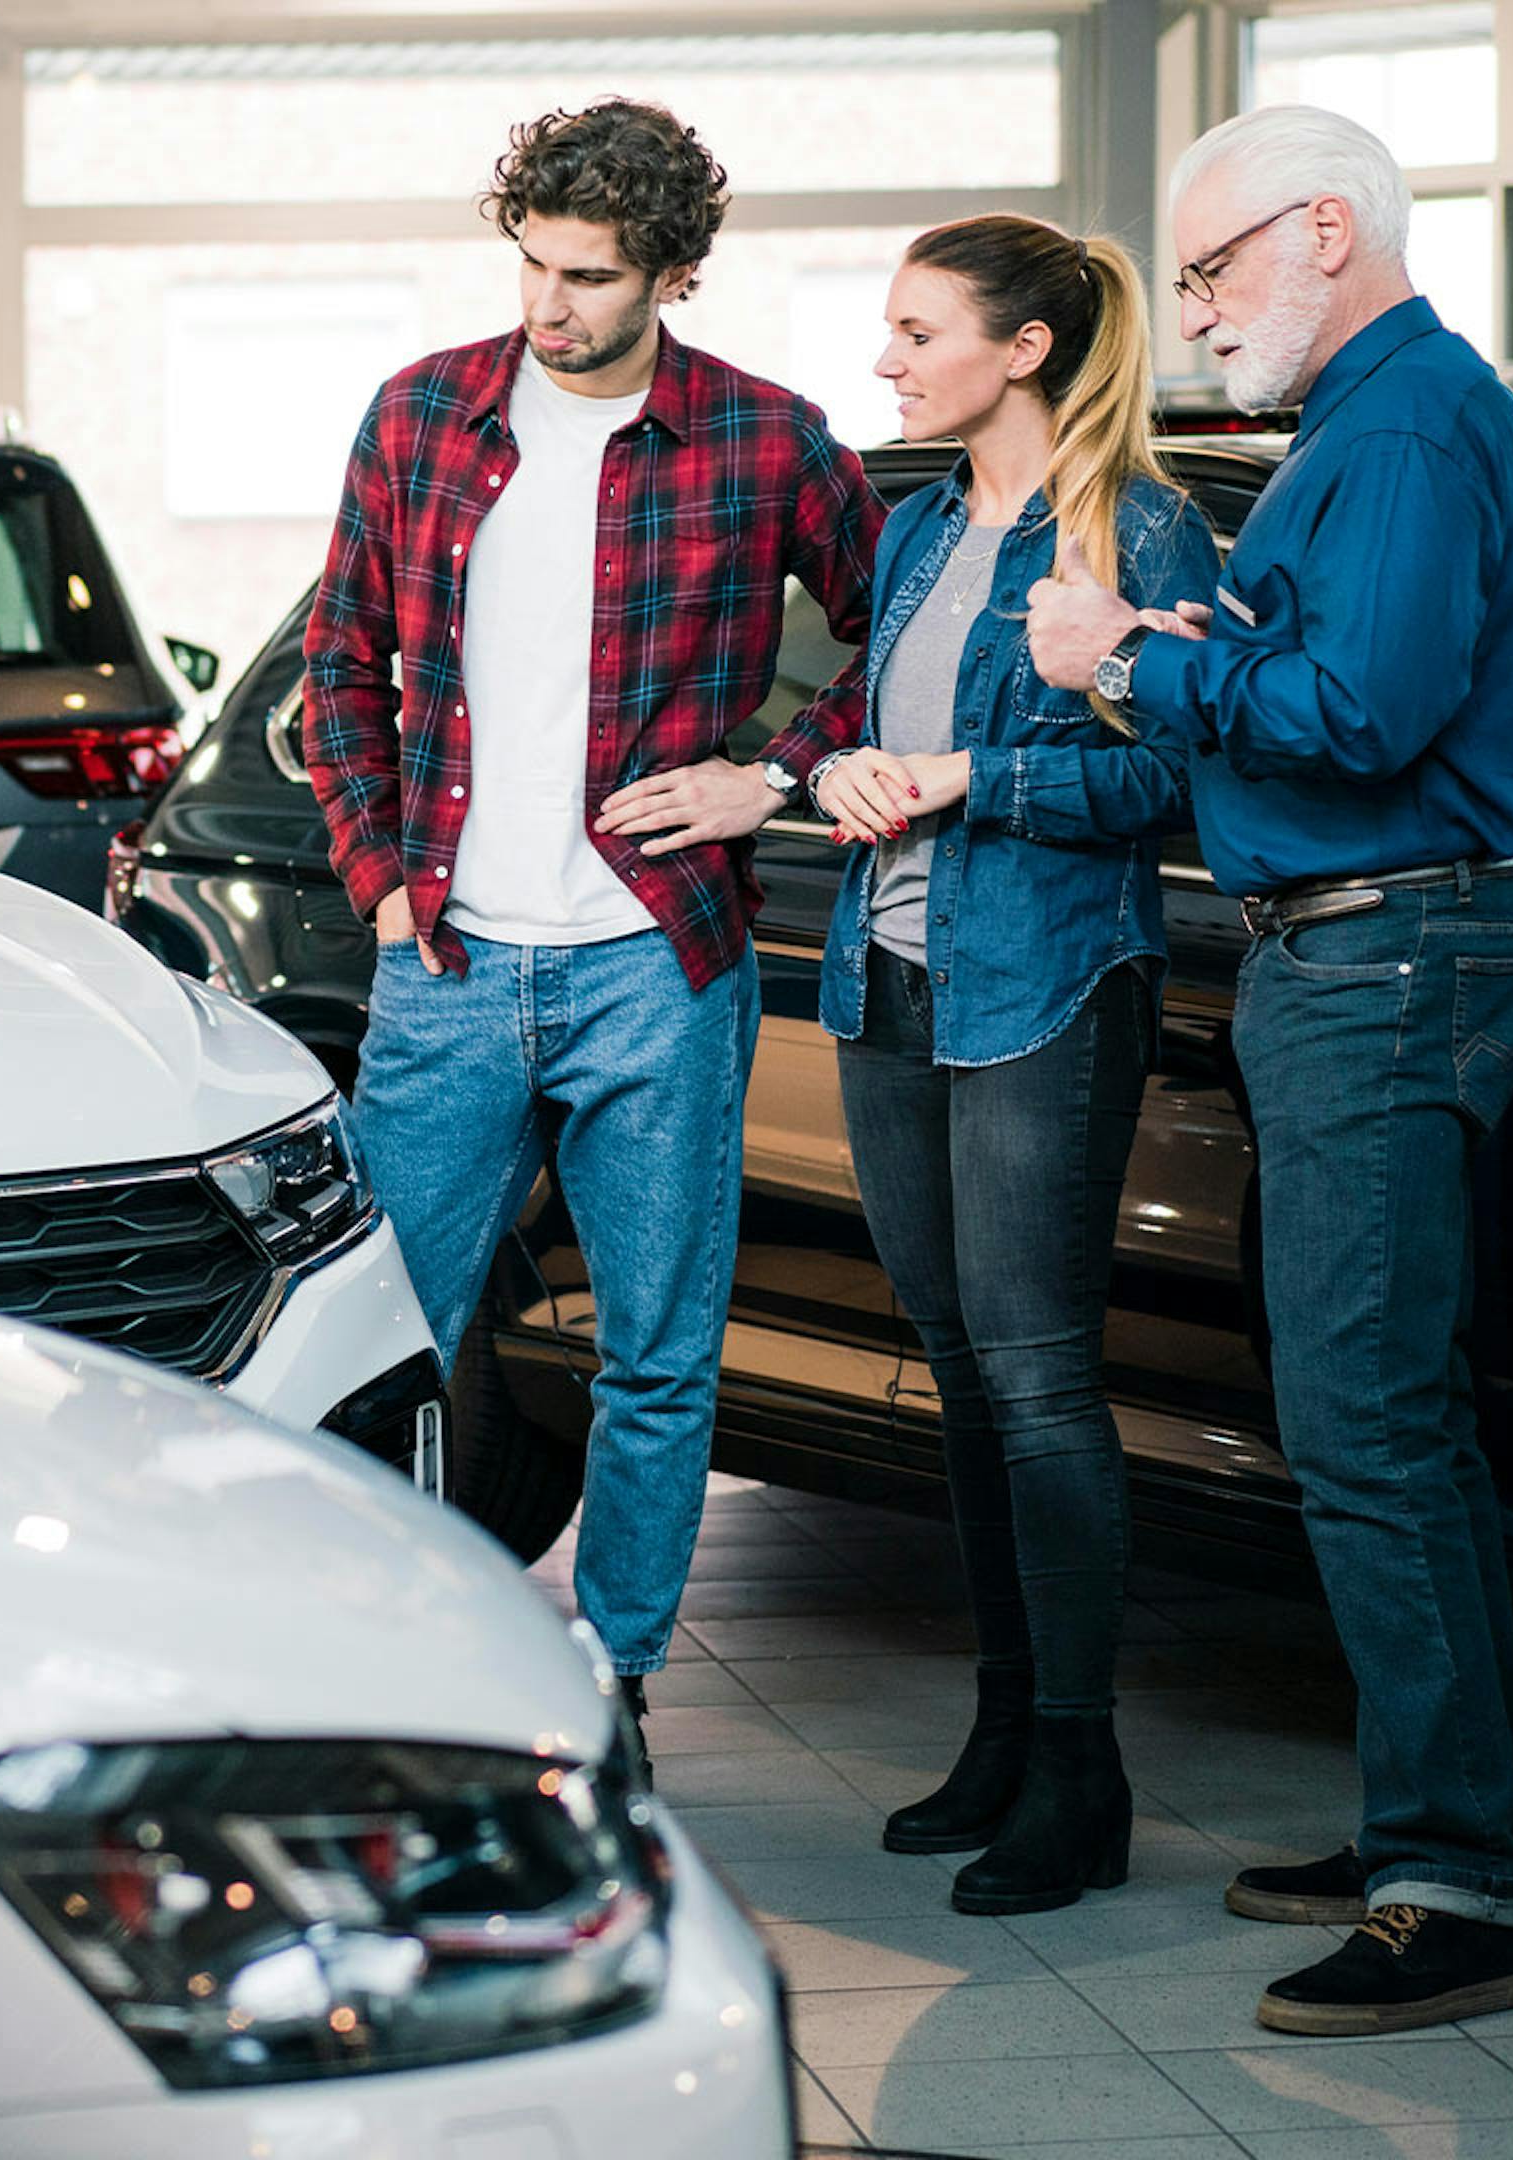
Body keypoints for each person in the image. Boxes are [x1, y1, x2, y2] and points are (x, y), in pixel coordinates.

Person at [1025, 105, 1513, 2034]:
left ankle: (1461, 1887)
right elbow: (1394, 678)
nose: (1192, 319)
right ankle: (1426, 1821)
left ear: (1327, 229)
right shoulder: (1374, 430)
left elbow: (1364, 712)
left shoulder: (1413, 424)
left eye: (1208, 270)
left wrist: (1125, 654)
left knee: (1370, 1422)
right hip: (1365, 947)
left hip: (1390, 946)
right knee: (1370, 1408)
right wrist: (1214, 642)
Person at [301, 98, 878, 1764]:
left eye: (592, 277)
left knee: (657, 1358)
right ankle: (363, 1669)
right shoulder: (422, 417)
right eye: (535, 266)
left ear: (673, 275)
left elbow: (894, 642)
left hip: (657, 963)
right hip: (455, 965)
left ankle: (615, 1679)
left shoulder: (768, 441)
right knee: (374, 1336)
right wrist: (387, 885)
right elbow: (344, 665)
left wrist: (766, 779)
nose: (550, 307)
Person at [798, 215, 1217, 1917]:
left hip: (1045, 987)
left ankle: (1079, 1767)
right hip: (886, 982)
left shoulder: (1142, 527)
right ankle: (997, 1732)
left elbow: (1181, 781)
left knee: (1042, 1385)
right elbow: (866, 726)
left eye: (915, 331)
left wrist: (980, 778)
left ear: (1023, 347)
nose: (887, 361)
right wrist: (829, 772)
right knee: (961, 1373)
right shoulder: (910, 534)